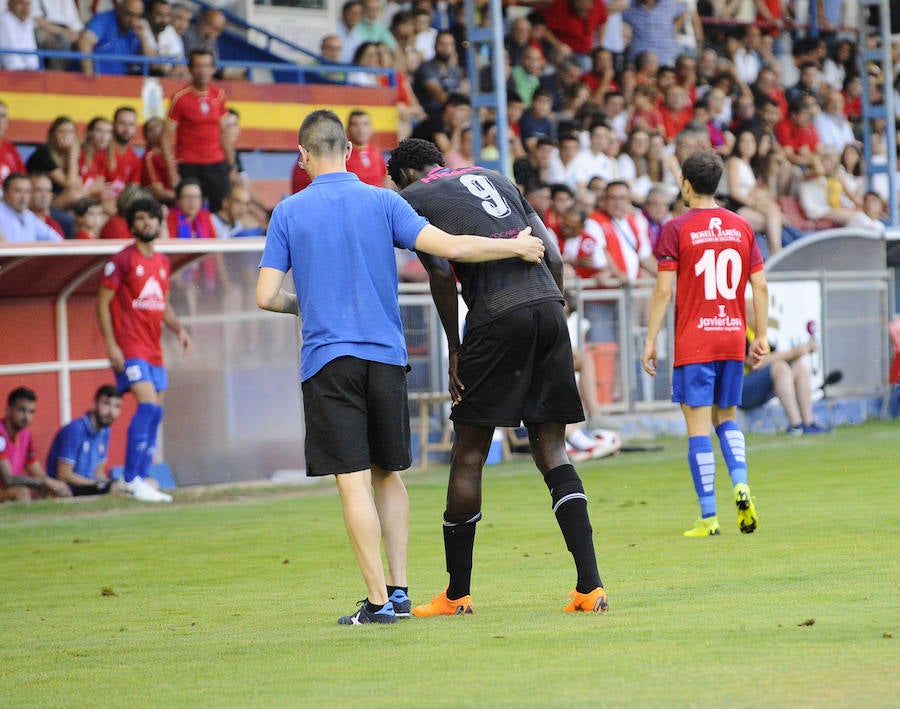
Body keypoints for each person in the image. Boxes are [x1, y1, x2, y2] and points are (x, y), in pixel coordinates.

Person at [255, 110, 546, 626]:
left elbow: (264, 296)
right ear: (348, 152)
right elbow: (452, 247)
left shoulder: (288, 212)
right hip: (387, 357)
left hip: (329, 359)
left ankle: (376, 603)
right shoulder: (384, 200)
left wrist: (305, 305)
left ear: (303, 157)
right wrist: (516, 244)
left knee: (352, 480)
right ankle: (402, 590)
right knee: (388, 473)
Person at [387, 137, 610, 616]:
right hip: (548, 307)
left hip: (495, 315)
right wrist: (555, 306)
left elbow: (443, 275)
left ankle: (456, 594)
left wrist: (456, 348)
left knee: (469, 453)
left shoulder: (412, 198)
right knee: (552, 448)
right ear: (438, 163)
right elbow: (551, 253)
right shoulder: (495, 177)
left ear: (403, 176)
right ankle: (590, 587)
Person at [641, 150, 769, 538]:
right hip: (731, 334)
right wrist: (760, 336)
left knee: (698, 426)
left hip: (695, 338)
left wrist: (650, 341)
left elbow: (664, 291)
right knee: (726, 418)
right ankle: (742, 484)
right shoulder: (741, 227)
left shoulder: (676, 228)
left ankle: (709, 517)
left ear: (685, 183)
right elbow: (759, 285)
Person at [96, 194, 191, 503]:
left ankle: (141, 477)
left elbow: (160, 304)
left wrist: (179, 329)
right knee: (147, 406)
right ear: (132, 225)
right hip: (130, 346)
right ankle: (131, 477)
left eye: (151, 217)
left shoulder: (162, 262)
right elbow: (102, 302)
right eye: (139, 218)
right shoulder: (122, 260)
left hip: (153, 349)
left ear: (158, 223)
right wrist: (111, 343)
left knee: (155, 413)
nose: (146, 222)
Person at [162, 48, 235, 213]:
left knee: (221, 211)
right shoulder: (180, 97)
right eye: (198, 66)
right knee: (188, 211)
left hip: (216, 164)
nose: (202, 71)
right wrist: (172, 172)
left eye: (206, 66)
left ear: (213, 69)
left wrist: (231, 165)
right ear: (190, 69)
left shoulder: (219, 95)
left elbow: (224, 134)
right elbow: (165, 137)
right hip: (189, 165)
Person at [741, 327, 831, 435]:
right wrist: (792, 353)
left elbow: (775, 357)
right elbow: (754, 362)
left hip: (758, 388)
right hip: (739, 389)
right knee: (780, 368)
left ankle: (808, 423)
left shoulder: (759, 332)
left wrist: (799, 352)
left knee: (799, 368)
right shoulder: (741, 329)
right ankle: (795, 425)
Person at [46, 385, 122, 495]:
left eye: (117, 406)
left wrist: (106, 484)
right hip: (68, 491)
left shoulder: (105, 431)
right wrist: (98, 486)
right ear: (94, 404)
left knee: (126, 487)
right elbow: (63, 475)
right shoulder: (75, 429)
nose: (111, 411)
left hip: (88, 488)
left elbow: (98, 472)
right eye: (106, 403)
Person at [0, 387, 73, 502]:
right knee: (22, 492)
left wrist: (55, 486)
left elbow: (37, 471)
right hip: (7, 489)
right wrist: (45, 482)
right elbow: (8, 479)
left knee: (47, 490)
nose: (27, 417)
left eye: (31, 411)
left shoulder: (25, 435)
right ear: (8, 410)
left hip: (7, 491)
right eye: (21, 410)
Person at [76, 0, 144, 76]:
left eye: (138, 16)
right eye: (129, 14)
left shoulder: (135, 31)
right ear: (120, 9)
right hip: (97, 81)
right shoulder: (104, 20)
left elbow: (152, 64)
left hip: (118, 83)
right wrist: (89, 78)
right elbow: (84, 43)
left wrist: (143, 38)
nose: (134, 21)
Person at [0, 173, 63, 242]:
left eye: (27, 191)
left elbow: (56, 239)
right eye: (18, 191)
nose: (23, 197)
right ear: (5, 192)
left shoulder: (28, 215)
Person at [0, 0, 40, 71]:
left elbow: (32, 53)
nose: (25, 8)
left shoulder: (28, 22)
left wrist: (33, 68)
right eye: (21, 4)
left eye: (28, 5)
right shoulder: (5, 20)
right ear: (11, 4)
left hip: (28, 72)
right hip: (11, 73)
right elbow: (10, 59)